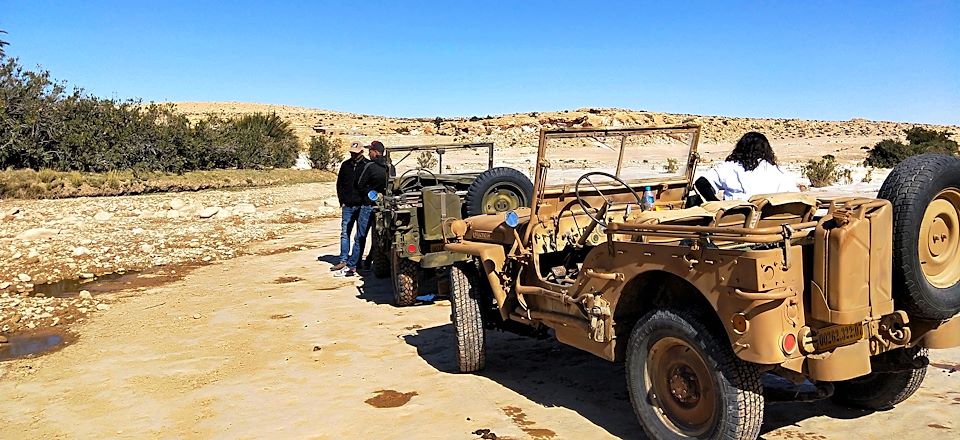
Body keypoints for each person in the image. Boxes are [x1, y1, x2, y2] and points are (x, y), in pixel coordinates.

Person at [336, 141, 389, 277]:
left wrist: (368, 194)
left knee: (360, 235)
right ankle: (364, 262)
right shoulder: (389, 167)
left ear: (375, 152)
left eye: (370, 150)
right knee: (379, 236)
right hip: (383, 205)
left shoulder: (369, 166)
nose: (369, 152)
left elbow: (360, 184)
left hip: (366, 205)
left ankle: (352, 265)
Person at [697, 132, 799, 201]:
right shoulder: (779, 172)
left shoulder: (730, 168)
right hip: (773, 226)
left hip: (736, 224)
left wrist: (715, 203)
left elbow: (701, 183)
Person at [328, 142, 368, 271]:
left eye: (355, 153)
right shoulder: (345, 165)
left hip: (362, 206)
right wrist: (342, 201)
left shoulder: (367, 166)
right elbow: (339, 184)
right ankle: (343, 260)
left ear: (361, 152)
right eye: (352, 152)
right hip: (348, 206)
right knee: (345, 233)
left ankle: (356, 261)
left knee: (360, 235)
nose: (353, 155)